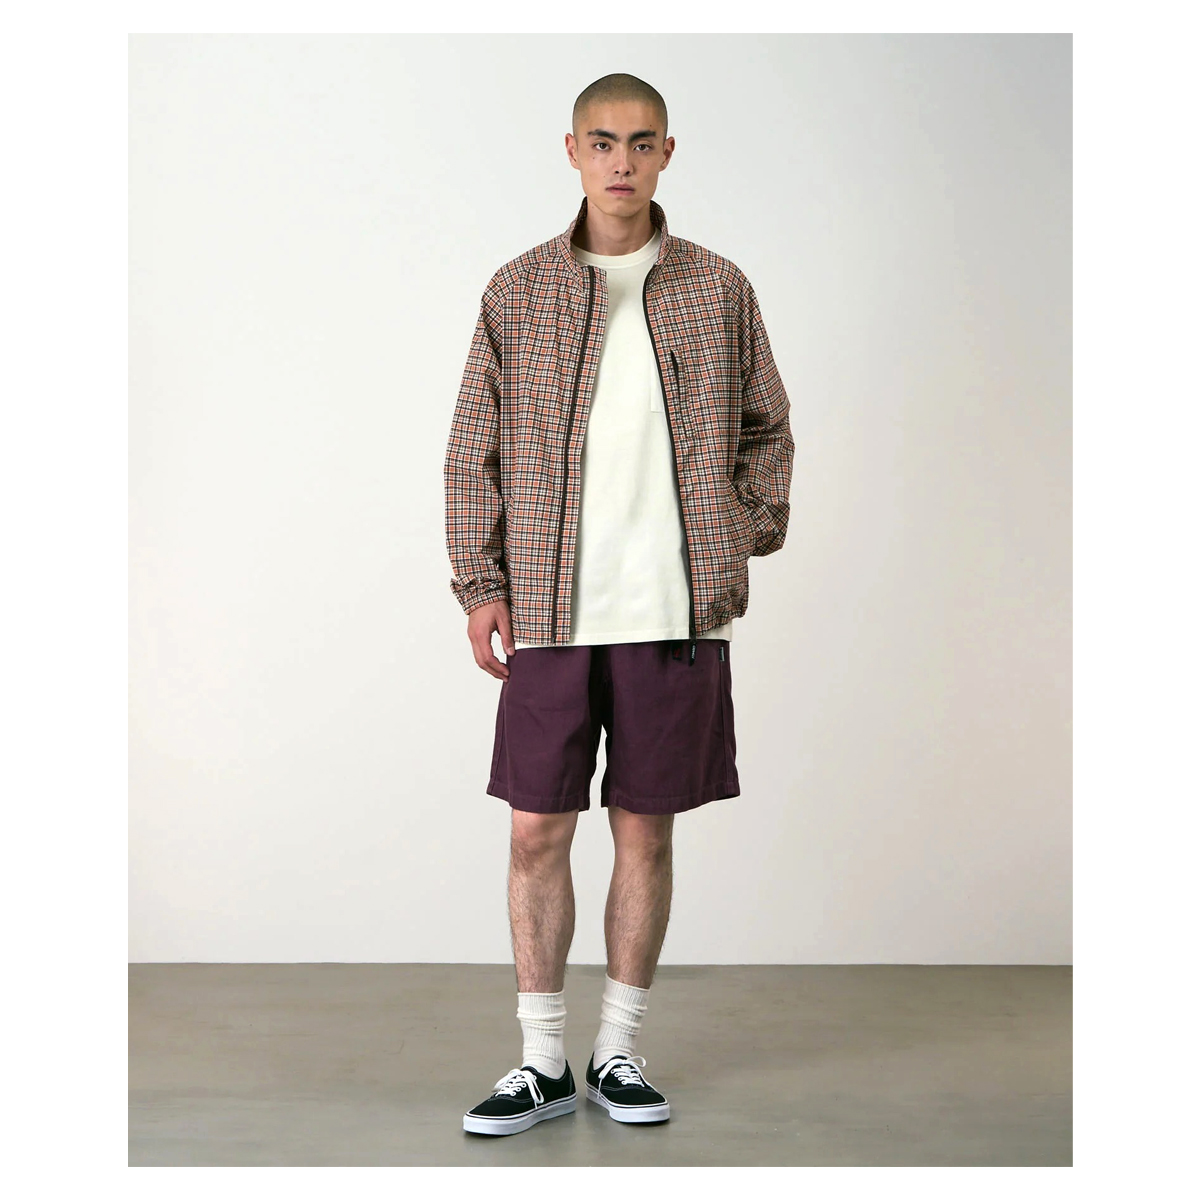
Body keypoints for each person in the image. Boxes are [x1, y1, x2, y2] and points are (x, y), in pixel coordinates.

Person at [445, 72, 794, 1137]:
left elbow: (768, 429)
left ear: (667, 153)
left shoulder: (718, 288)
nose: (622, 162)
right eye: (602, 142)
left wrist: (737, 533)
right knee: (535, 833)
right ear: (572, 150)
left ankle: (620, 1052)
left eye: (642, 143)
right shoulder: (517, 290)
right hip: (549, 605)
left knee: (645, 835)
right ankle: (542, 1061)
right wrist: (481, 581)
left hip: (674, 615)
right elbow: (472, 447)